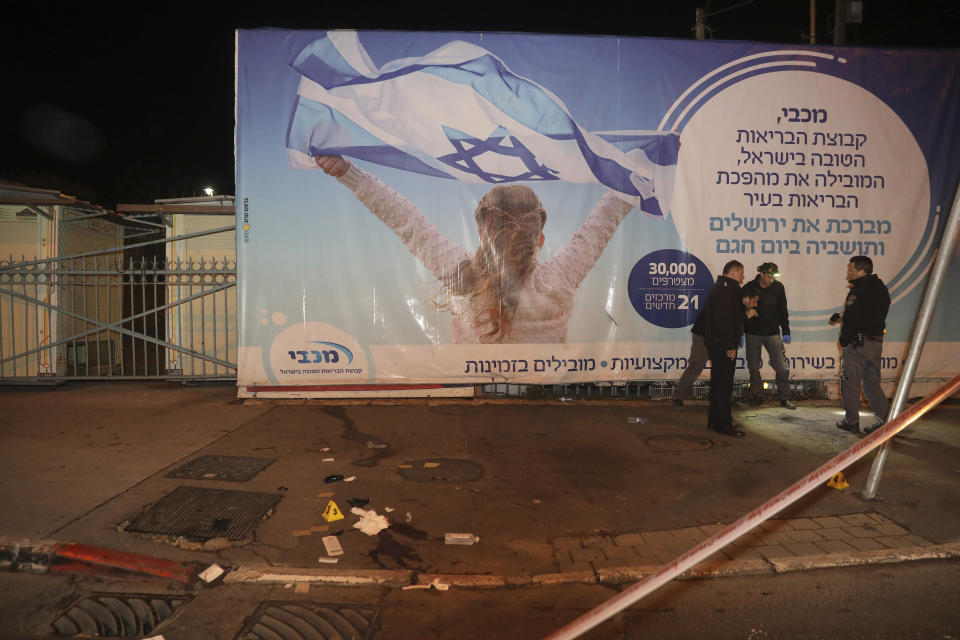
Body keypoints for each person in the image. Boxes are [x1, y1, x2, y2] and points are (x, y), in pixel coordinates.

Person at [314, 155, 637, 344]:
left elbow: (406, 220)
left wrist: (349, 174)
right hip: (542, 402)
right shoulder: (559, 280)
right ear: (539, 240)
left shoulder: (461, 276)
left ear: (482, 234)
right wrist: (648, 164)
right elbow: (606, 217)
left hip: (470, 407)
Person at [831, 256, 891, 435]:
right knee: (872, 383)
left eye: (850, 269)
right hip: (875, 342)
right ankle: (886, 421)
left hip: (857, 344)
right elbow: (868, 314)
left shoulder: (859, 290)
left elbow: (855, 318)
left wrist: (844, 339)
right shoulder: (880, 288)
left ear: (861, 270)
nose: (848, 273)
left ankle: (851, 421)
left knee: (849, 382)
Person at [703, 260, 756, 437]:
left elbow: (732, 317)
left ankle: (715, 420)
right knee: (723, 385)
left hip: (718, 343)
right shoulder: (725, 290)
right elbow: (723, 321)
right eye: (741, 273)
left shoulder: (724, 288)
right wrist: (728, 346)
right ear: (733, 272)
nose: (743, 276)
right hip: (721, 344)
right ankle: (724, 424)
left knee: (719, 383)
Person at [741, 262, 795, 409]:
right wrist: (740, 333)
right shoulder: (748, 288)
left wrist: (786, 331)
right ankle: (757, 396)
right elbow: (740, 311)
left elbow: (783, 310)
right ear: (761, 274)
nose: (772, 278)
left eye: (774, 276)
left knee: (782, 367)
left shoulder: (778, 287)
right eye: (769, 275)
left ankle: (785, 398)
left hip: (772, 333)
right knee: (753, 366)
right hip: (752, 333)